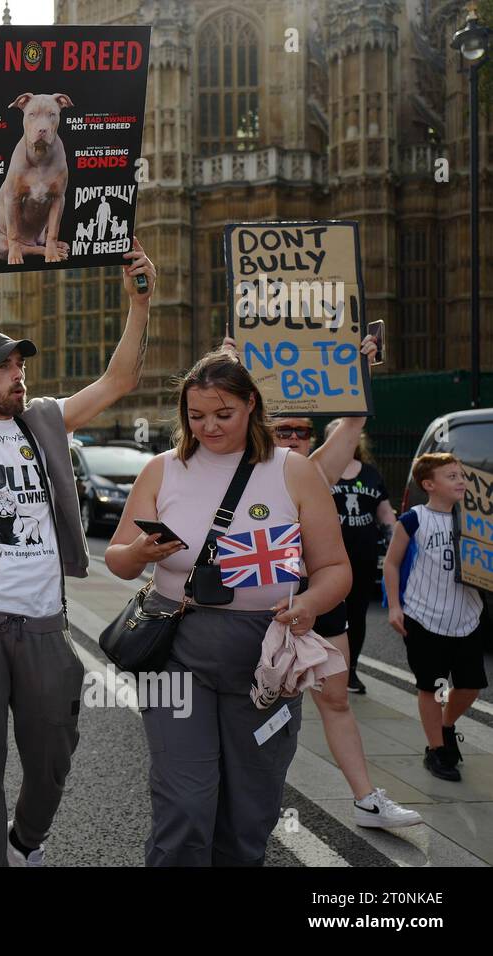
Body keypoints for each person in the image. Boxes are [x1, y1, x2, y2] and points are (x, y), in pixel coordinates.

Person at [0, 232, 158, 866]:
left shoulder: (44, 418)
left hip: (44, 627)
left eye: (22, 365)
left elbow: (120, 378)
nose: (19, 374)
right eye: (5, 366)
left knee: (52, 757)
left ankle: (25, 843)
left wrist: (141, 302)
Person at [104, 350, 351, 865]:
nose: (209, 427)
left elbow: (334, 569)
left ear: (251, 406)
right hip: (176, 651)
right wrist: (138, 553)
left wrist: (306, 604)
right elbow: (119, 561)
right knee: (185, 804)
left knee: (250, 810)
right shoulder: (161, 471)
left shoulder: (294, 471)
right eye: (196, 416)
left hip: (265, 659)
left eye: (224, 414)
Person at [223, 339, 418, 828]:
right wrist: (230, 366)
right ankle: (228, 795)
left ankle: (367, 800)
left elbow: (352, 422)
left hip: (316, 602)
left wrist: (360, 371)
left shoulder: (312, 472)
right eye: (281, 429)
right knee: (247, 708)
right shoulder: (234, 466)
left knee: (334, 698)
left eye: (302, 431)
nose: (292, 437)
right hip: (253, 607)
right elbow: (216, 410)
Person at [383, 453, 487, 782]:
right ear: (429, 484)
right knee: (431, 687)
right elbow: (391, 563)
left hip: (467, 616)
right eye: (451, 476)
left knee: (469, 686)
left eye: (461, 475)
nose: (461, 481)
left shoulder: (477, 519)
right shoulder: (413, 519)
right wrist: (395, 607)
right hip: (424, 616)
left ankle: (446, 725)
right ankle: (436, 750)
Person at [322, 418, 396, 692]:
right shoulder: (316, 471)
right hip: (326, 557)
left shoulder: (371, 473)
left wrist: (394, 543)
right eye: (336, 435)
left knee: (356, 613)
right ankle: (318, 667)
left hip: (362, 556)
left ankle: (349, 671)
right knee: (324, 611)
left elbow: (385, 512)